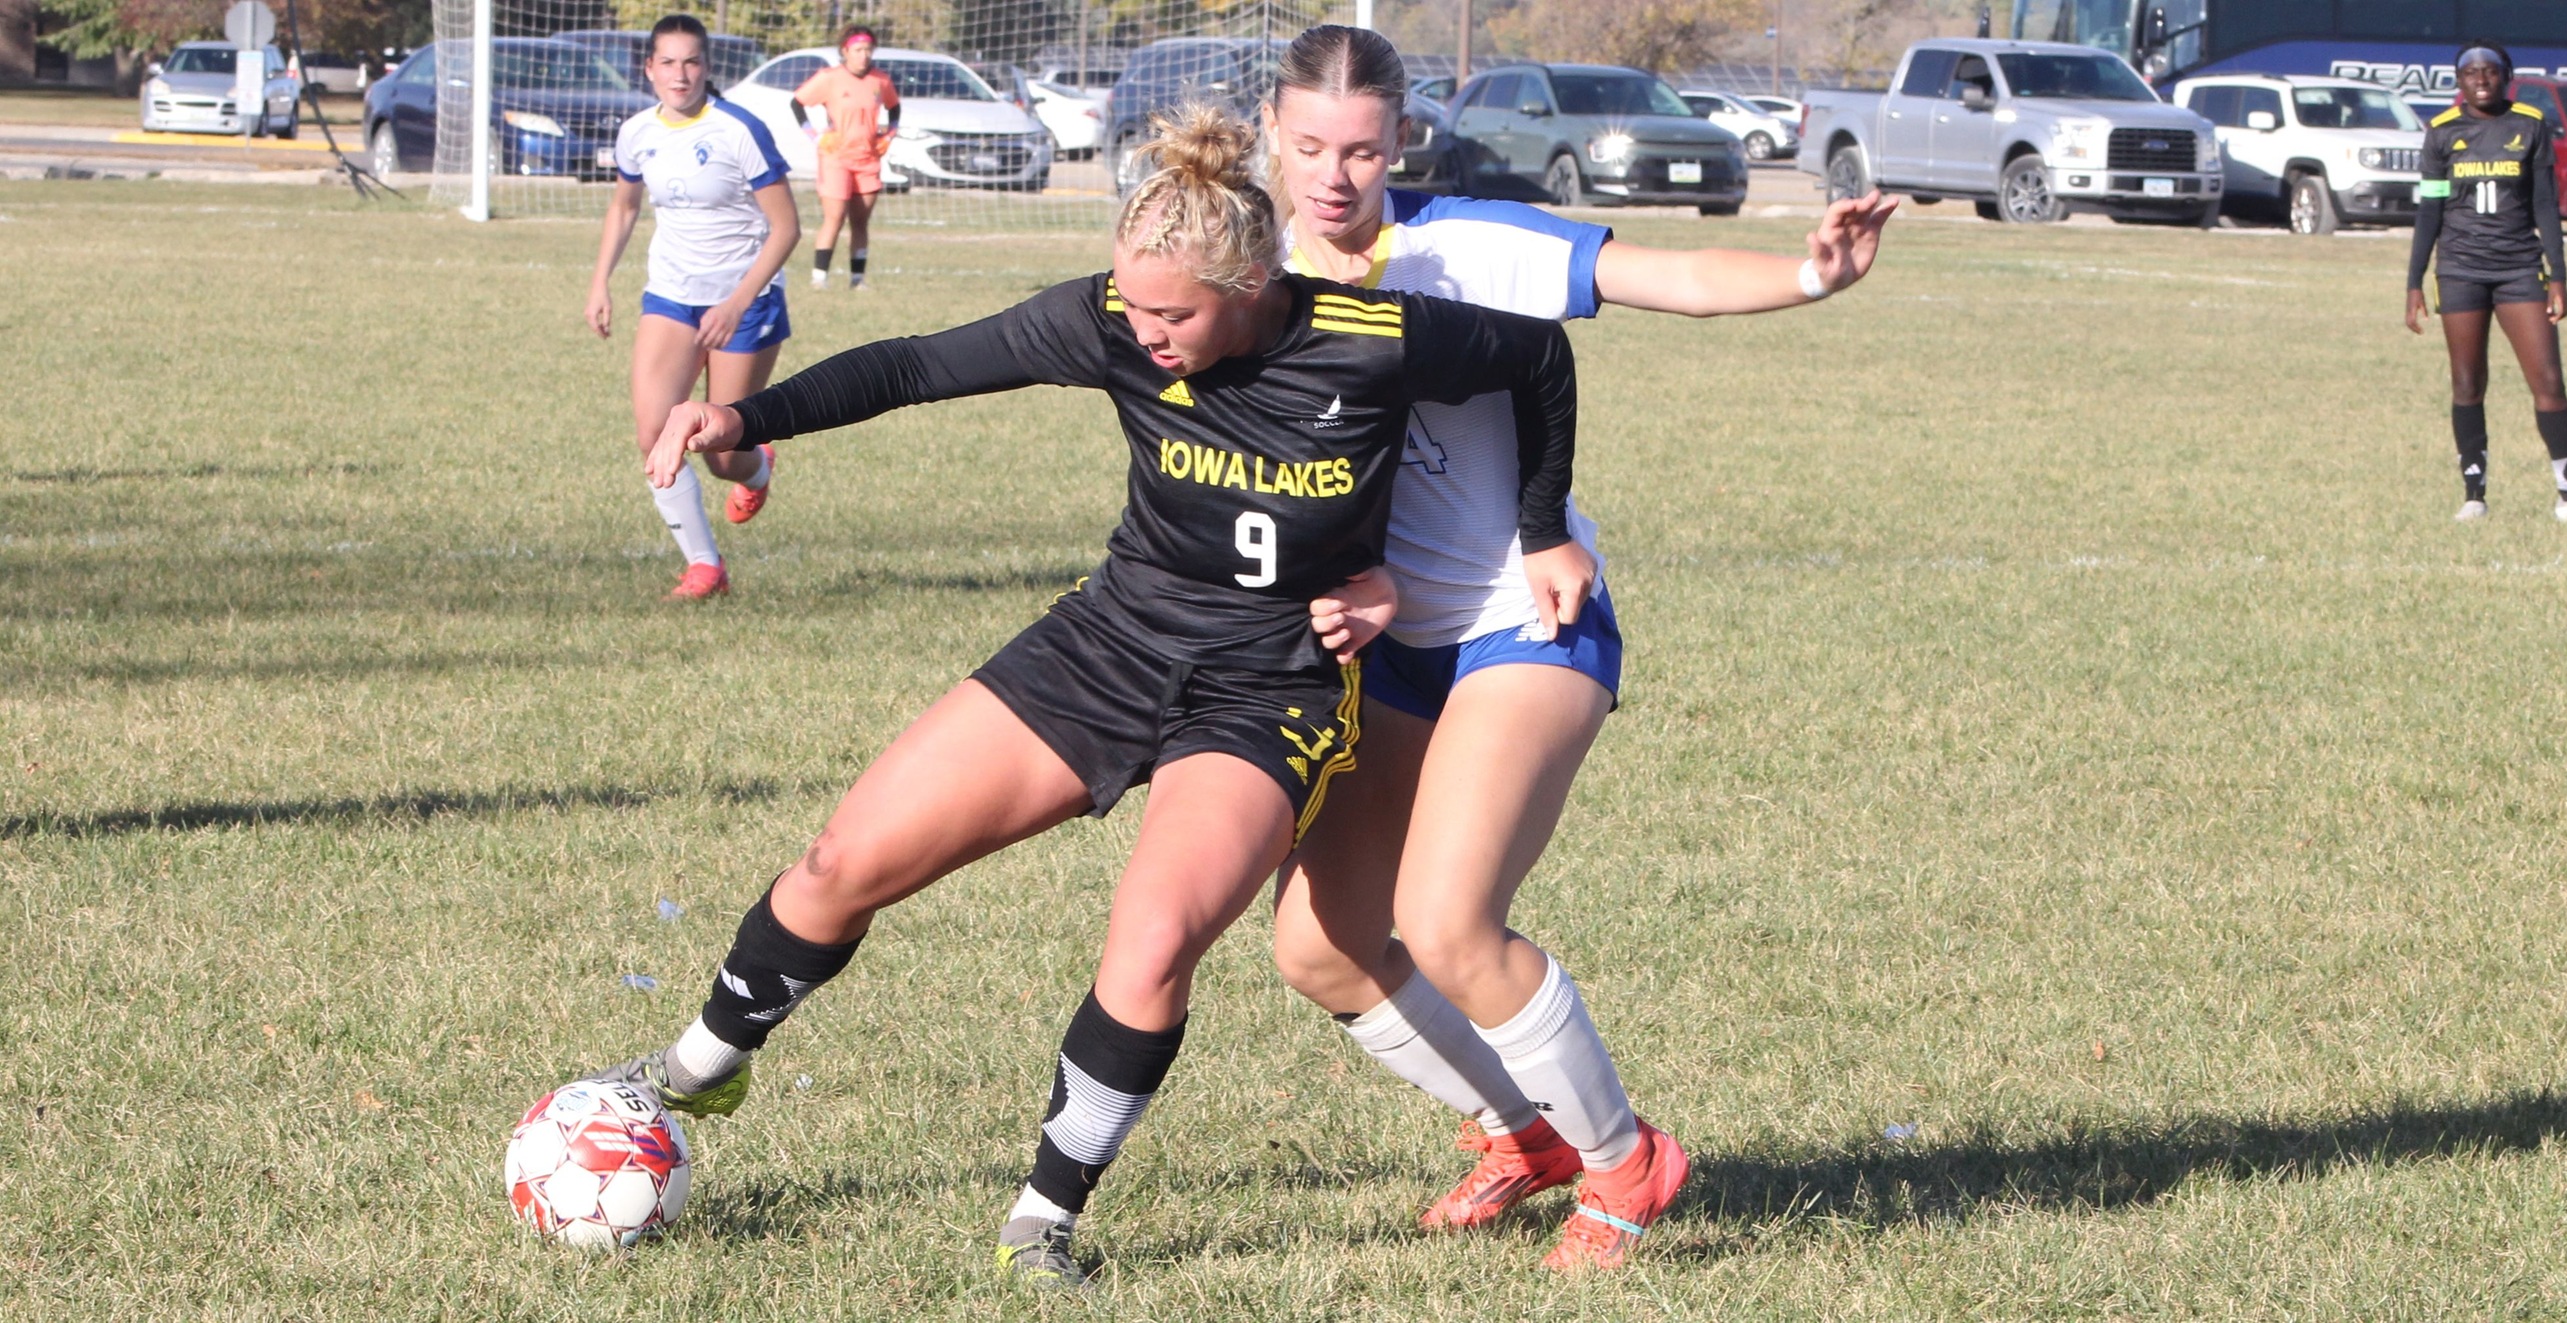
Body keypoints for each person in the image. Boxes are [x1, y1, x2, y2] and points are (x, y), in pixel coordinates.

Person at [590, 105, 1586, 1289]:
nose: (1145, 328)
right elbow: (918, 364)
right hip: (1109, 643)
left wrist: (1541, 535)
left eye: (1176, 312)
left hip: (1268, 687)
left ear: (1253, 282)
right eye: (1133, 303)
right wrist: (743, 416)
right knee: (839, 863)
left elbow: (1535, 356)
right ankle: (704, 1061)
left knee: (1151, 946)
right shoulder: (1109, 318)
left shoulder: (1369, 338)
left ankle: (1038, 1223)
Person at [1253, 24, 1898, 1271]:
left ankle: (1626, 1162)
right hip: (1387, 646)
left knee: (1447, 923)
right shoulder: (1249, 268)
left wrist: (1811, 274)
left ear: (1402, 143)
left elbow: (1674, 279)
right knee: (1319, 948)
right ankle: (1525, 1132)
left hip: (1524, 618)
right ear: (1274, 137)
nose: (1337, 175)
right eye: (1312, 146)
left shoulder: (1465, 245)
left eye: (1366, 150)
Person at [585, 14, 800, 600]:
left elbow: (786, 228)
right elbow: (625, 207)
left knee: (720, 452)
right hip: (671, 298)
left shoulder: (739, 130)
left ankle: (755, 465)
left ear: (707, 68)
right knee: (656, 431)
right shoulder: (637, 132)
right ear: (649, 69)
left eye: (692, 62)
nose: (680, 74)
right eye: (668, 62)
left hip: (745, 305)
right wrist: (600, 282)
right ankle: (705, 566)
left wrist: (736, 302)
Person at [2404, 41, 2567, 526]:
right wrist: (2414, 283)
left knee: (2549, 381)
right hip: (2460, 270)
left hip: (2519, 269)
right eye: (2470, 73)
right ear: (2458, 81)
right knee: (2468, 382)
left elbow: (2544, 208)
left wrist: (2557, 275)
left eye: (2490, 72)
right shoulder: (2440, 133)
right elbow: (2429, 210)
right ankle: (2474, 495)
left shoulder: (2530, 126)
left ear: (2506, 76)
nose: (2480, 80)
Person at [791, 27, 899, 291]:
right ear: (845, 51)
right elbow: (797, 103)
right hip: (836, 158)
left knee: (860, 221)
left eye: (868, 50)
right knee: (835, 216)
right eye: (858, 50)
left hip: (867, 159)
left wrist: (889, 135)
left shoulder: (880, 80)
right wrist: (816, 137)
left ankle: (857, 279)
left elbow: (894, 108)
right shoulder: (830, 78)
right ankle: (819, 277)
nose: (864, 56)